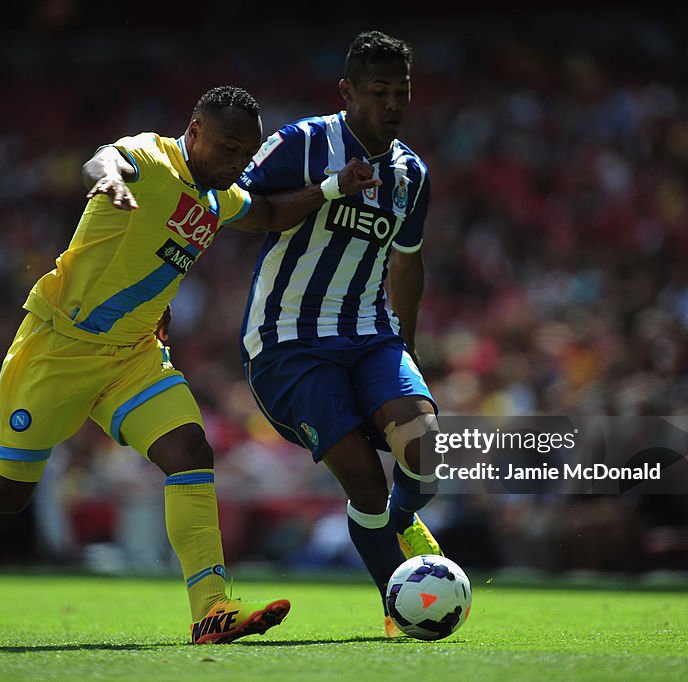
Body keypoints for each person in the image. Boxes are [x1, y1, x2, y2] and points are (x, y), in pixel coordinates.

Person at [0, 86, 378, 645]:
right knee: (4, 494)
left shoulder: (219, 198)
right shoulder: (151, 160)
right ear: (195, 130)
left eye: (244, 155)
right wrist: (106, 177)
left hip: (133, 357)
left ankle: (211, 609)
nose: (235, 163)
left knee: (189, 451)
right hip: (60, 349)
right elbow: (104, 159)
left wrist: (330, 187)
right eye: (226, 148)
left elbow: (270, 212)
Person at [237, 32, 443, 637]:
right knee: (362, 478)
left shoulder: (411, 174)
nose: (392, 104)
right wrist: (327, 190)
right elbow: (238, 207)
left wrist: (407, 343)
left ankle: (404, 521)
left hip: (370, 334)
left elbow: (407, 261)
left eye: (401, 92)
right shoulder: (301, 144)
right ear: (347, 91)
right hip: (288, 338)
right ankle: (399, 604)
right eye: (378, 92)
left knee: (426, 451)